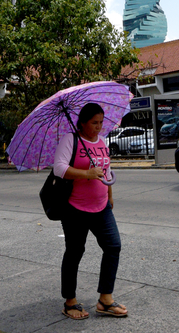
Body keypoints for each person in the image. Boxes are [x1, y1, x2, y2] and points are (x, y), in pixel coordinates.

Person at [53, 102, 128, 320]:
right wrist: (87, 173)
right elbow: (59, 168)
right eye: (94, 123)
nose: (98, 127)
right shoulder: (71, 140)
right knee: (75, 252)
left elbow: (106, 170)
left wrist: (110, 195)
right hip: (75, 208)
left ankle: (105, 299)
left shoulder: (102, 141)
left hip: (101, 206)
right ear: (82, 122)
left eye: (101, 122)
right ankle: (70, 302)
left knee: (113, 246)